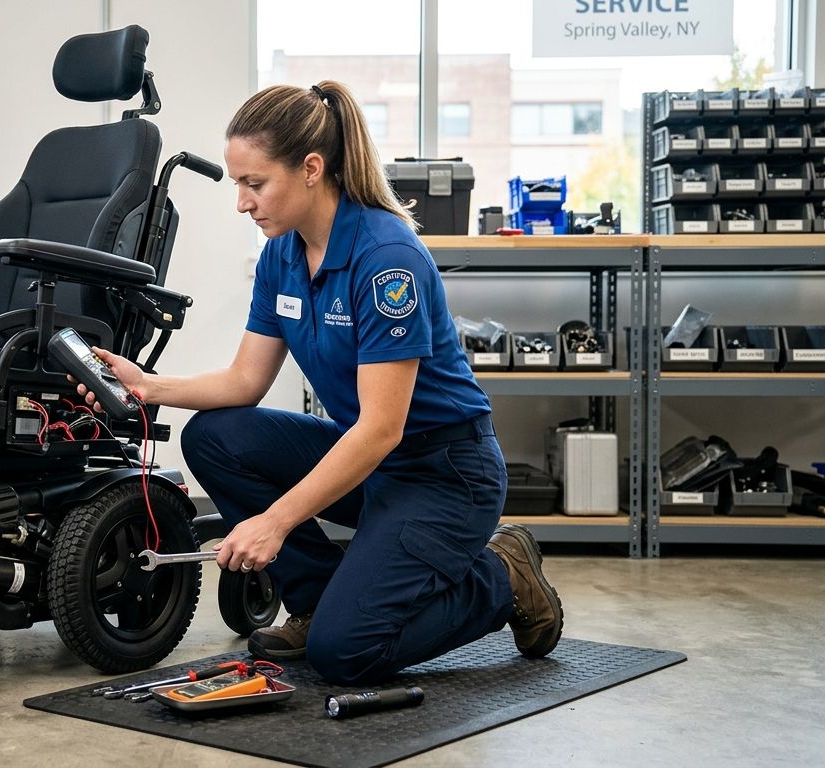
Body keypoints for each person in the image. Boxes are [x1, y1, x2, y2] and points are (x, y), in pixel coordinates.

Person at [74, 80, 564, 685]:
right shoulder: (282, 253)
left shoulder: (387, 259)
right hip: (368, 460)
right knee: (214, 437)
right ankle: (317, 599)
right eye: (237, 185)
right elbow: (244, 381)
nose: (242, 203)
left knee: (346, 654)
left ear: (311, 169)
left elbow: (382, 429)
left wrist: (274, 521)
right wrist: (149, 385)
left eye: (255, 184)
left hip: (442, 474)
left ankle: (502, 575)